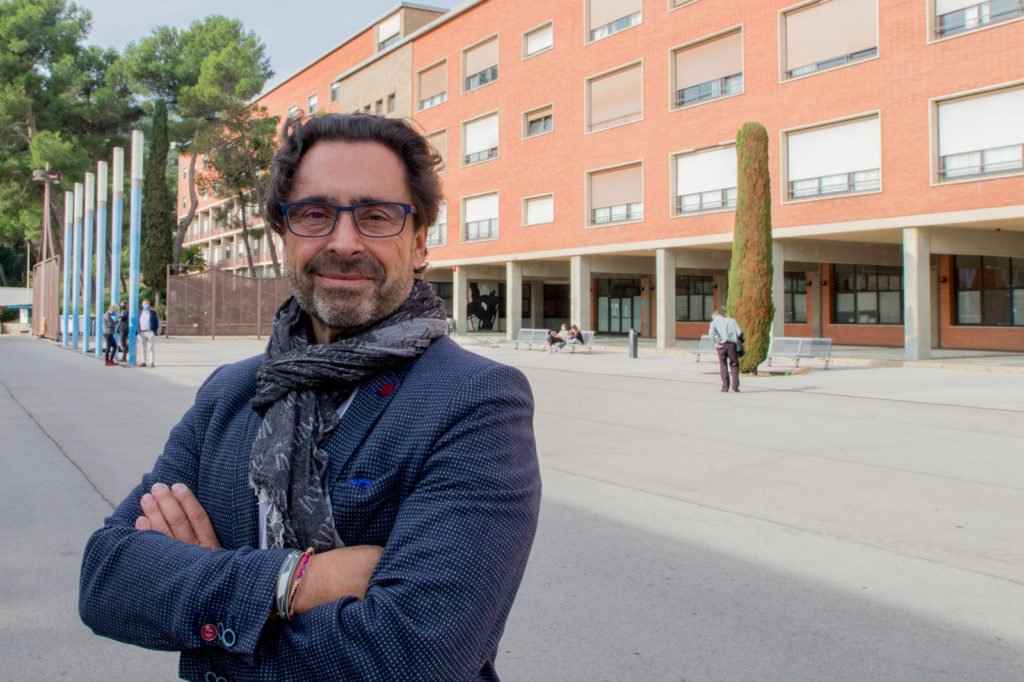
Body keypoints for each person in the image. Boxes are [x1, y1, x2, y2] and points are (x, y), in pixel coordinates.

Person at [79, 114, 542, 681]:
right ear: (285, 236)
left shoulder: (475, 400)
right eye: (315, 214)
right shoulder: (229, 394)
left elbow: (417, 656)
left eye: (376, 216)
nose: (344, 243)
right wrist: (296, 583)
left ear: (419, 241)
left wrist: (203, 609)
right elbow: (107, 578)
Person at [709, 308, 743, 392]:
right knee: (734, 365)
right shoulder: (732, 321)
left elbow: (711, 333)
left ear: (715, 316)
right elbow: (739, 333)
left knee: (723, 365)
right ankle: (735, 386)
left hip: (721, 346)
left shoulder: (713, 323)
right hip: (732, 345)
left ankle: (725, 386)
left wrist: (715, 343)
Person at [137, 298, 159, 367]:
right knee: (143, 348)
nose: (146, 305)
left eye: (147, 304)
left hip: (150, 332)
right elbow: (137, 322)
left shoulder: (152, 313)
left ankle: (152, 362)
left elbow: (156, 323)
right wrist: (138, 331)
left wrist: (154, 331)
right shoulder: (140, 313)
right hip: (141, 332)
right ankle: (144, 362)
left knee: (151, 348)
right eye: (144, 304)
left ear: (149, 305)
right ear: (142, 305)